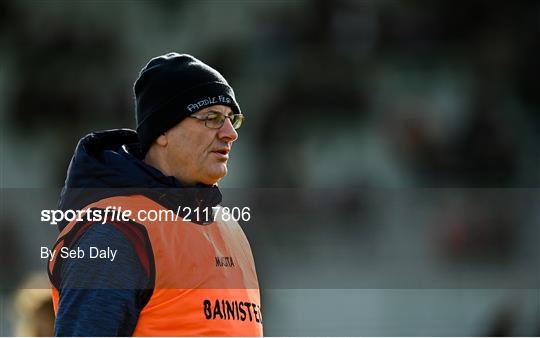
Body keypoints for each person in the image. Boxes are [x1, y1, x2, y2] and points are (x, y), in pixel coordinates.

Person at [47, 53, 263, 336]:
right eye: (211, 118)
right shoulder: (114, 231)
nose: (229, 133)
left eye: (230, 119)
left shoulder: (230, 228)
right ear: (162, 131)